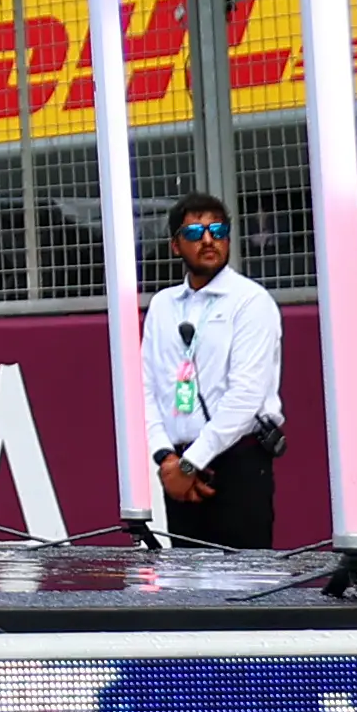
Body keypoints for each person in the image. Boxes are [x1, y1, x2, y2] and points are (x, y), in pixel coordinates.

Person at [144, 190, 283, 550]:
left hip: (237, 461)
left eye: (218, 231)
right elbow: (145, 389)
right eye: (194, 232)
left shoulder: (251, 301)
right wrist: (166, 459)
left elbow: (246, 397)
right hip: (178, 469)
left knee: (244, 577)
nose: (208, 240)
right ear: (176, 245)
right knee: (187, 580)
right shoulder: (162, 306)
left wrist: (190, 464)